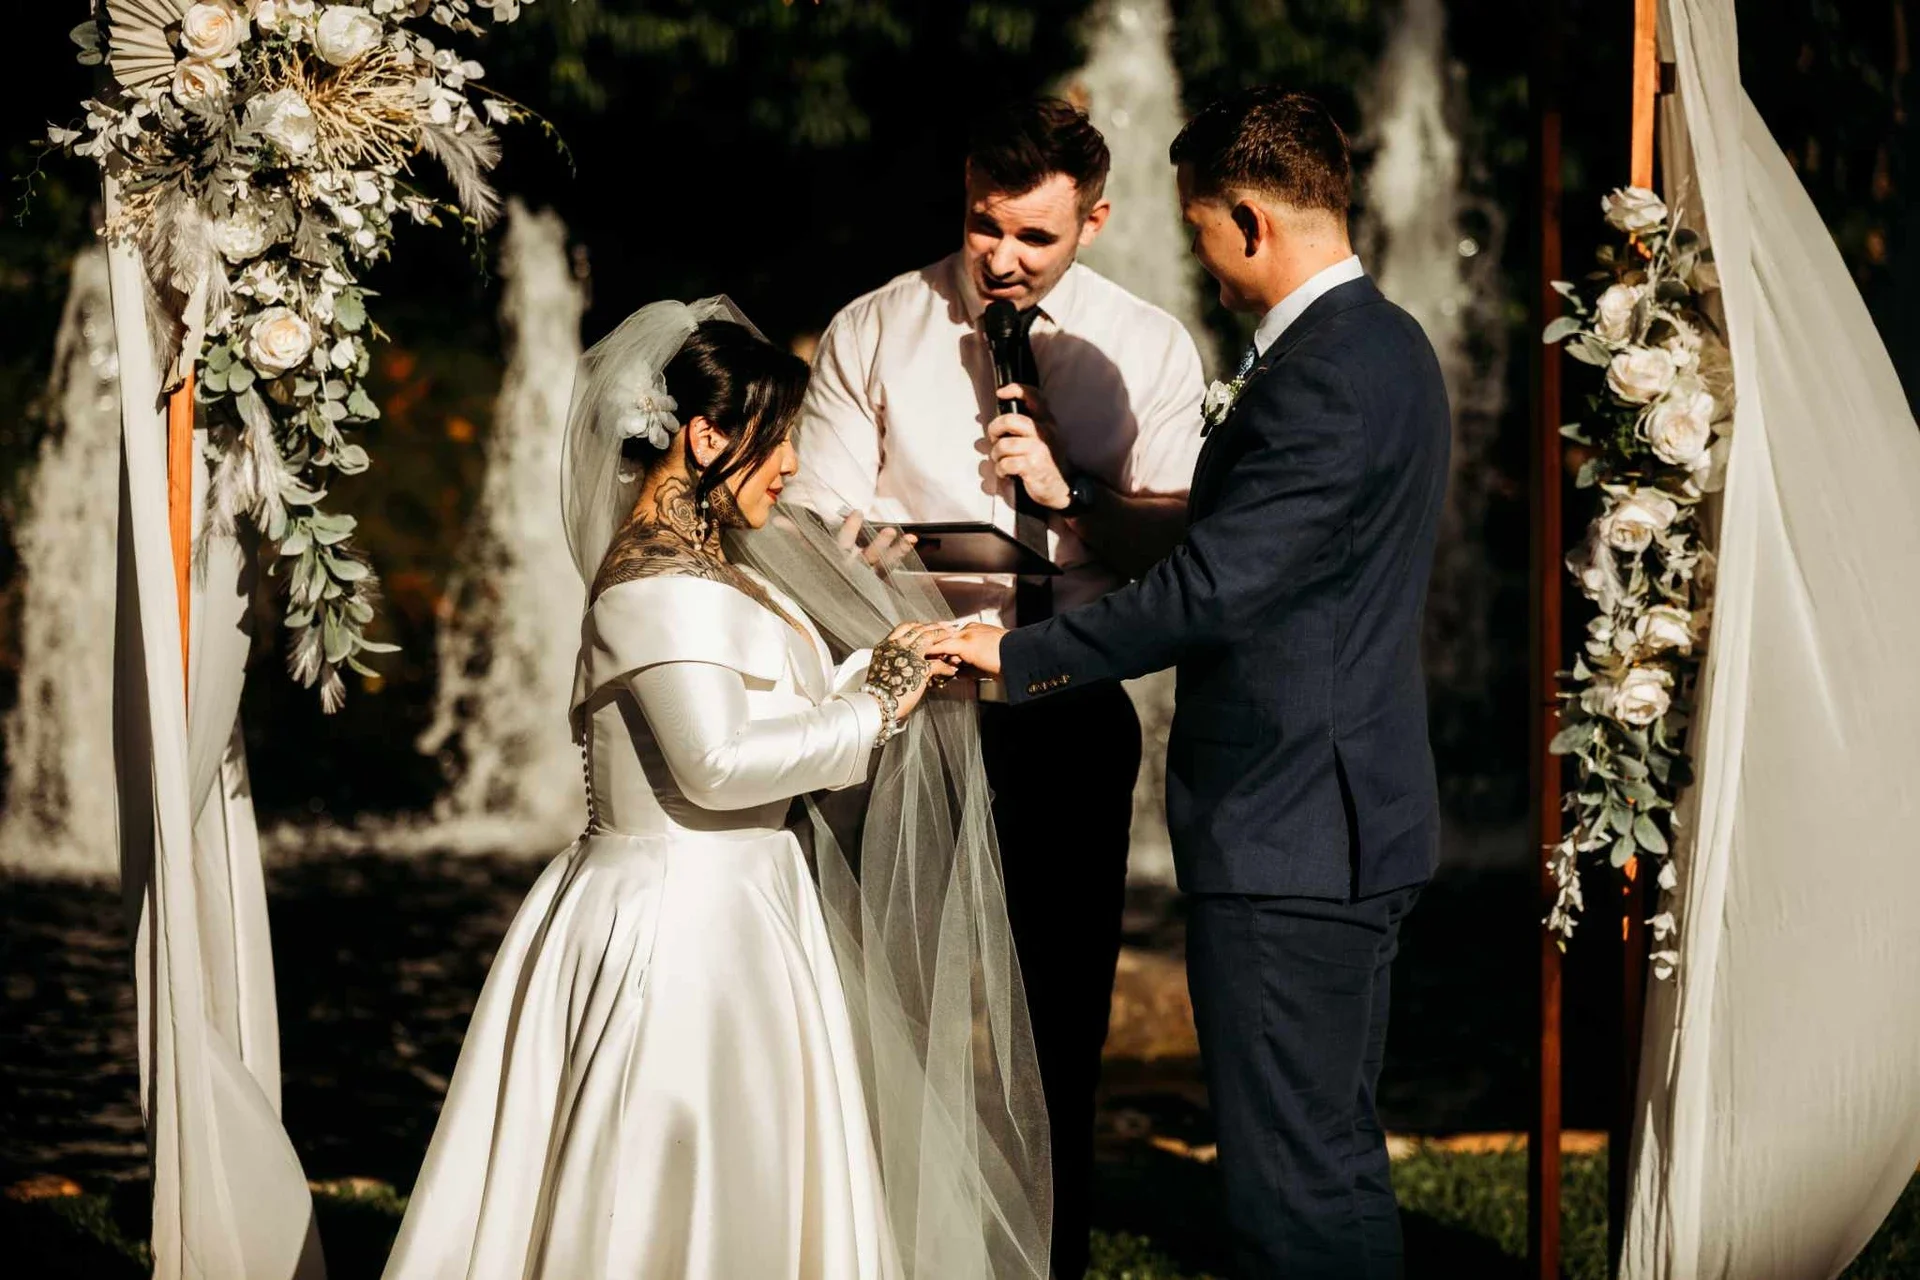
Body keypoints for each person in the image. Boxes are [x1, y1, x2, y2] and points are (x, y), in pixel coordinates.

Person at [382, 302, 1052, 1280]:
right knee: (659, 1179)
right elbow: (717, 763)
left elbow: (772, 696)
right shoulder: (650, 582)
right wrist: (877, 711)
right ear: (706, 437)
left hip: (744, 906)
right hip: (676, 926)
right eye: (777, 442)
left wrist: (883, 662)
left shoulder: (715, 566)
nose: (789, 468)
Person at [934, 89, 1451, 1279]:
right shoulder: (1393, 345)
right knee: (1328, 1152)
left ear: (1255, 222)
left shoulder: (1317, 376)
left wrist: (1017, 657)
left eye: (1203, 228)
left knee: (1290, 1192)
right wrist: (1087, 505)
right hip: (1346, 816)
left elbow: (1214, 590)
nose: (1202, 259)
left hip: (1291, 833)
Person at [789, 98, 1206, 1278]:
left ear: (1095, 220)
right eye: (985, 228)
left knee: (1056, 1012)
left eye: (1035, 237)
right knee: (884, 996)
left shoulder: (1149, 346)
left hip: (1061, 705)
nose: (1004, 260)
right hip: (905, 702)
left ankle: (1048, 1251)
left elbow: (1178, 555)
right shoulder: (875, 326)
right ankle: (878, 1240)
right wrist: (864, 546)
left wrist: (1069, 493)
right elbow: (809, 515)